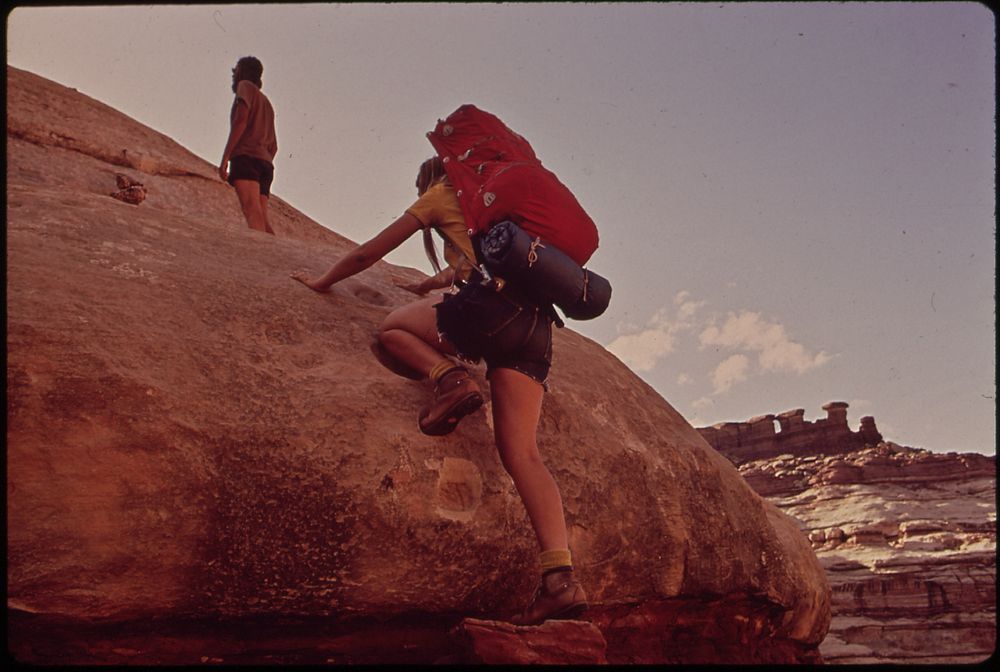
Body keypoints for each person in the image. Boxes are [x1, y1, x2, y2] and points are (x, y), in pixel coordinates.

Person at [291, 155, 590, 626]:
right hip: (535, 329)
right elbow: (473, 264)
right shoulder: (496, 209)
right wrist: (430, 282)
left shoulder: (441, 195)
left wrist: (323, 280)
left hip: (488, 315)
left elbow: (368, 253)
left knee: (393, 329)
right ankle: (559, 580)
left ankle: (449, 380)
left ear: (429, 180)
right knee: (523, 455)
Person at [219, 56, 277, 235]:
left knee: (251, 211)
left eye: (236, 70)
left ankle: (262, 257)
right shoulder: (267, 103)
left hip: (246, 157)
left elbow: (240, 121)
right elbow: (274, 146)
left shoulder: (244, 87)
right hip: (266, 164)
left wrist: (225, 158)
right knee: (262, 217)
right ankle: (276, 257)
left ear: (243, 71)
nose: (233, 74)